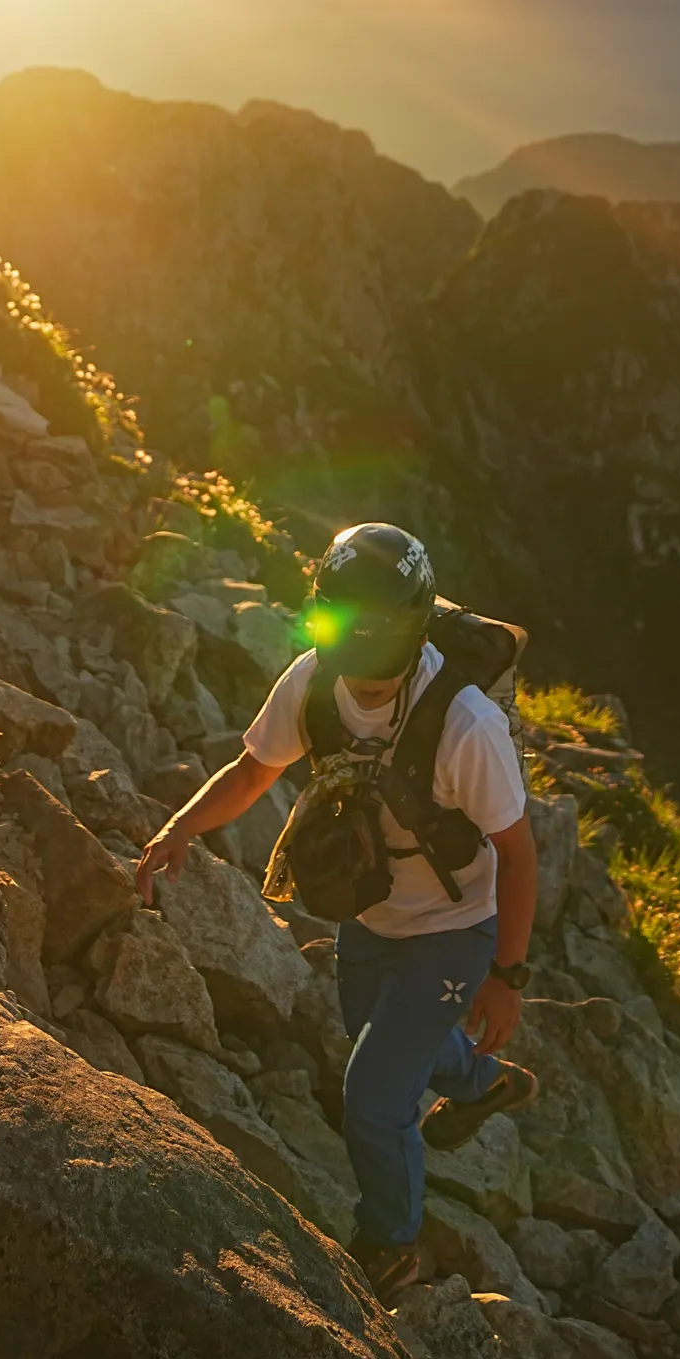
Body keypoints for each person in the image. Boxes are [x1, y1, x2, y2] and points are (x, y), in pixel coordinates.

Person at [135, 520, 538, 1304]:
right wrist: (178, 827)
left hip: (458, 929)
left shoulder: (465, 725)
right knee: (383, 1040)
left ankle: (390, 1246)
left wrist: (506, 977)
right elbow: (255, 769)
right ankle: (480, 1081)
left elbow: (518, 856)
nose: (351, 647)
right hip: (374, 918)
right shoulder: (315, 681)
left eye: (369, 629)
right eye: (337, 623)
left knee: (374, 1096)